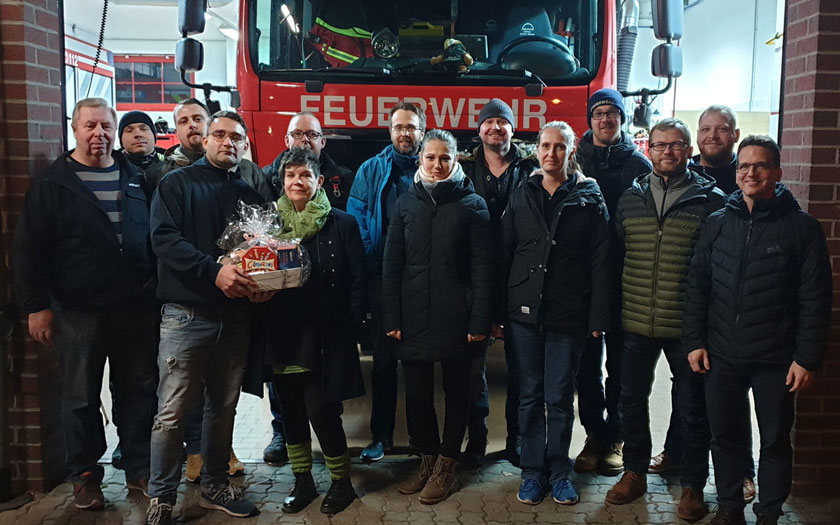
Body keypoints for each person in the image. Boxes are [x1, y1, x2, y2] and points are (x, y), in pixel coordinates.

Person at [13, 97, 158, 510]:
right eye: (90, 126)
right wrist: (36, 305)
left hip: (133, 306)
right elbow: (29, 250)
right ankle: (86, 476)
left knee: (138, 391)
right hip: (78, 309)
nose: (100, 134)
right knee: (79, 396)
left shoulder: (134, 177)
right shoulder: (54, 183)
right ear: (74, 129)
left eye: (106, 127)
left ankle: (139, 467)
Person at [683, 136, 832, 525]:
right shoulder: (718, 224)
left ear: (777, 173)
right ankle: (730, 505)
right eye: (745, 166)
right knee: (726, 437)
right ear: (737, 173)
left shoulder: (802, 229)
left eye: (761, 165)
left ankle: (768, 513)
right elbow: (698, 286)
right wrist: (695, 341)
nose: (751, 172)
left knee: (774, 442)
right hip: (722, 354)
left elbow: (816, 299)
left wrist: (806, 358)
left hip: (777, 360)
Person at [145, 110, 275, 525]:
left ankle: (215, 485)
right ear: (204, 139)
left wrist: (264, 283)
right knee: (172, 411)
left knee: (223, 406)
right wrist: (213, 271)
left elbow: (260, 253)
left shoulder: (251, 196)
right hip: (186, 316)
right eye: (219, 134)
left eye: (236, 138)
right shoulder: (176, 184)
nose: (227, 143)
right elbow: (164, 241)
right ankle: (162, 498)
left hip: (235, 317)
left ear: (244, 146)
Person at [605, 118, 726, 522]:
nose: (667, 152)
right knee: (630, 401)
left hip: (687, 327)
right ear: (649, 150)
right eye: (659, 145)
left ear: (689, 150)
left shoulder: (712, 202)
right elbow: (616, 259)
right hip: (635, 321)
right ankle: (634, 471)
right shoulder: (629, 198)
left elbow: (717, 269)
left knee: (693, 407)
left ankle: (692, 482)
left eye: (676, 145)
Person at [501, 121, 611, 505]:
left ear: (572, 149)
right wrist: (503, 310)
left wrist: (598, 318)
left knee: (560, 397)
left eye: (559, 147)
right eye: (545, 146)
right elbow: (506, 252)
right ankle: (532, 472)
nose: (551, 153)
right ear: (536, 149)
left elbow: (601, 261)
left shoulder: (589, 196)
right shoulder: (522, 193)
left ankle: (560, 470)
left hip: (569, 314)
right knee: (529, 396)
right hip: (525, 315)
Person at [653, 104, 756, 504]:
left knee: (728, 393)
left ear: (734, 134)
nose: (712, 136)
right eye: (705, 129)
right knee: (689, 390)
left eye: (721, 129)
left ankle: (744, 469)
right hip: (689, 303)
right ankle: (677, 454)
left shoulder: (743, 174)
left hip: (731, 305)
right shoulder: (686, 173)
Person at [383, 129, 493, 504]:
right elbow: (391, 264)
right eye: (430, 157)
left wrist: (479, 322)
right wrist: (391, 316)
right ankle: (426, 459)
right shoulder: (404, 203)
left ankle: (448, 463)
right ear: (420, 160)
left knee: (458, 394)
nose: (437, 164)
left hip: (457, 317)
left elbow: (483, 271)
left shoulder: (473, 205)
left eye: (445, 157)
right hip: (411, 315)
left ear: (456, 160)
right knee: (416, 396)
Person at [256, 149, 367, 515]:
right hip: (282, 333)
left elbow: (357, 283)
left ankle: (341, 483)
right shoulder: (268, 228)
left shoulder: (343, 224)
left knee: (322, 411)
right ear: (283, 182)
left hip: (327, 335)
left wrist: (353, 330)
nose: (297, 182)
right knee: (290, 412)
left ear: (319, 181)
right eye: (290, 176)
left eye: (305, 175)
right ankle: (302, 481)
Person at [573, 88, 651, 476]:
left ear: (621, 119)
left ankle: (616, 437)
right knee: (585, 364)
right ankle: (593, 434)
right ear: (590, 120)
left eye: (612, 113)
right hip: (582, 279)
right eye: (599, 112)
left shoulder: (638, 165)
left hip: (624, 277)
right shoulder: (576, 159)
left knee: (620, 365)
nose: (605, 119)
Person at [460, 98, 538, 467]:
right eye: (489, 122)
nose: (496, 128)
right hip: (475, 280)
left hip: (517, 280)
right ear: (479, 130)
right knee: (473, 369)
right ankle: (476, 439)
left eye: (502, 122)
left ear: (512, 128)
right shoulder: (462, 170)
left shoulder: (531, 169)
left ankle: (517, 440)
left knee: (520, 367)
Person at [347, 101, 425, 463]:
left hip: (423, 281)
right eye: (399, 127)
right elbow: (357, 217)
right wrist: (372, 261)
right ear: (389, 132)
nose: (405, 133)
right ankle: (381, 437)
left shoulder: (433, 166)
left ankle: (422, 439)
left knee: (419, 363)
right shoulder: (371, 170)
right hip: (383, 278)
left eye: (411, 127)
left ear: (422, 131)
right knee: (383, 362)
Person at [262, 111, 356, 210]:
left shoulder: (346, 178)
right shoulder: (265, 178)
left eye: (312, 134)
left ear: (322, 142)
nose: (305, 139)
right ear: (287, 141)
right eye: (297, 134)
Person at [145, 98, 210, 187]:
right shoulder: (158, 175)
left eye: (198, 119)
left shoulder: (228, 165)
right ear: (176, 132)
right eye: (183, 121)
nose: (192, 125)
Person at [118, 110, 165, 174]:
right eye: (129, 130)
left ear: (154, 136)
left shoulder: (173, 166)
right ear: (121, 141)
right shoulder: (110, 169)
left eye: (144, 129)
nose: (138, 134)